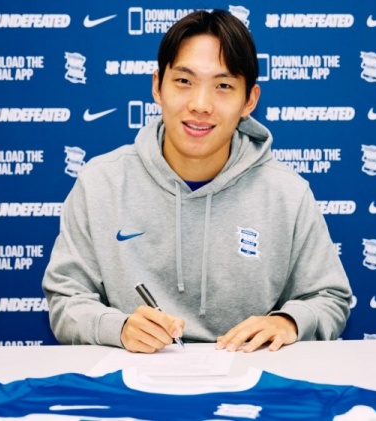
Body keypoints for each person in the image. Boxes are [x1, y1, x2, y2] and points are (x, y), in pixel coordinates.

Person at [42, 9, 351, 354]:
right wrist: (120, 327)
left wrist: (288, 322)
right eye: (184, 81)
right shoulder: (100, 183)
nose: (200, 105)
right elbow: (66, 300)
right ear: (157, 86)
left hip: (250, 377)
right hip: (130, 378)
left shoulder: (287, 193)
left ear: (249, 100)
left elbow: (330, 298)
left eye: (223, 86)